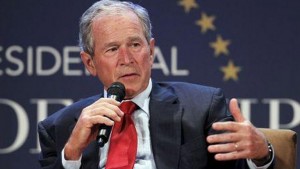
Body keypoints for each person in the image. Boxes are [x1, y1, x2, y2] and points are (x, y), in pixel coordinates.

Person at [38, 0, 274, 169]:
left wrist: (262, 154)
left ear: (150, 51)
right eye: (112, 49)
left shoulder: (202, 108)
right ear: (89, 63)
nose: (127, 59)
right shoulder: (59, 128)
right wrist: (71, 154)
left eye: (135, 45)